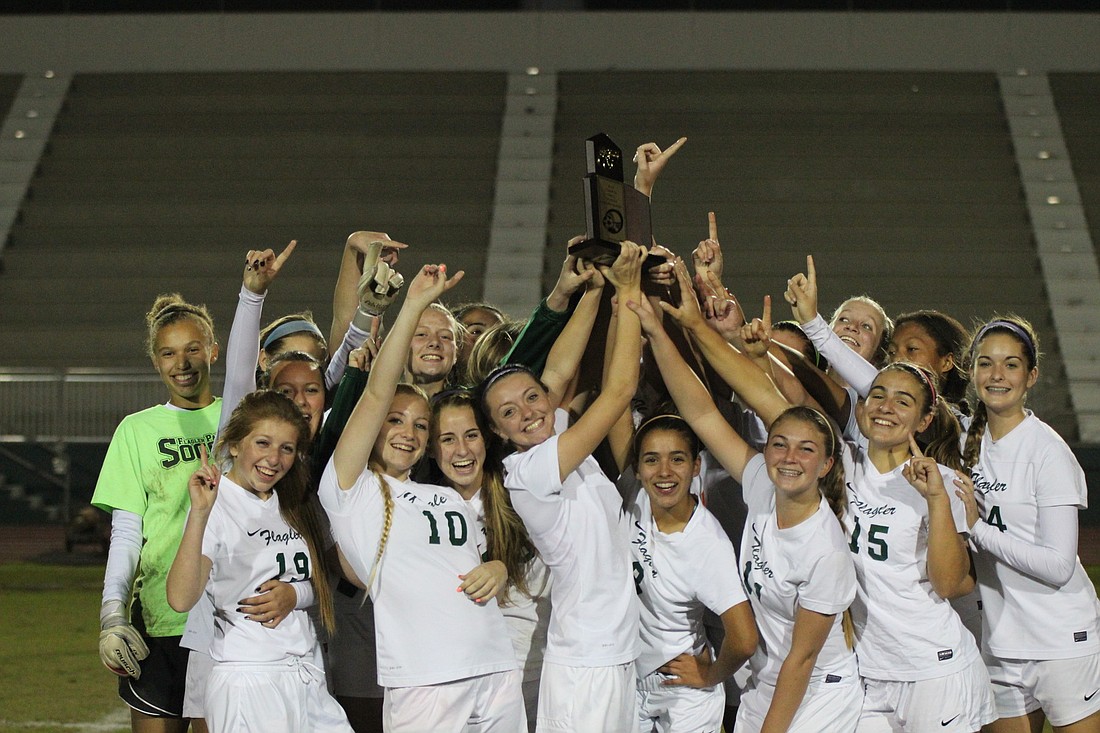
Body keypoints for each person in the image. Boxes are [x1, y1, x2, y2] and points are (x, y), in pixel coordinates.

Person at [627, 266, 861, 733]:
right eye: (779, 444)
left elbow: (802, 660)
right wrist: (660, 330)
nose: (789, 457)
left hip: (817, 693)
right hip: (764, 684)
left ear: (828, 465)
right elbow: (700, 410)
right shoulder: (760, 486)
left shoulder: (825, 550)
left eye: (806, 449)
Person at [320, 262, 525, 733]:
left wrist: (496, 564)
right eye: (394, 421)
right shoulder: (350, 486)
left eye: (419, 425)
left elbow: (483, 557)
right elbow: (374, 393)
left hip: (495, 666)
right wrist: (412, 306)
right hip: (425, 680)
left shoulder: (446, 496)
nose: (407, 433)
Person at [478, 241, 646, 733]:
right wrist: (630, 292)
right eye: (510, 412)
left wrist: (593, 291)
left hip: (614, 652)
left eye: (532, 399)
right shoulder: (530, 471)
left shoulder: (552, 434)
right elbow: (620, 392)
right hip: (585, 664)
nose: (529, 411)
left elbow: (556, 371)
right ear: (499, 434)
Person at [166, 391, 349, 733]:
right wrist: (200, 514)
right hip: (248, 679)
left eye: (287, 448)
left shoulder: (294, 502)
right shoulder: (215, 503)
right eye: (262, 443)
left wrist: (296, 595)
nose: (274, 459)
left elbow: (322, 581)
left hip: (306, 672)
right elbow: (180, 598)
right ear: (235, 444)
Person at [956, 317, 1100, 732]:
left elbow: (1059, 565)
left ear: (1031, 375)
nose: (997, 375)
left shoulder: (1048, 451)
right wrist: (816, 328)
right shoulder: (965, 436)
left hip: (1060, 640)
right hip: (1001, 641)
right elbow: (892, 393)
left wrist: (979, 531)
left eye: (1011, 364)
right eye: (985, 363)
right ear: (971, 371)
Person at [93, 293, 221, 732]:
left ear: (213, 351)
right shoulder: (135, 429)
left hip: (225, 618)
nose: (181, 363)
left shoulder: (240, 418)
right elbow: (127, 533)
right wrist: (113, 613)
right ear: (155, 361)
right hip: (160, 620)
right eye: (168, 352)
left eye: (192, 349)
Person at [624, 414, 758, 733]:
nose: (665, 471)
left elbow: (744, 639)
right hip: (629, 679)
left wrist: (709, 676)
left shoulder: (708, 545)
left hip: (683, 690)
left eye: (678, 459)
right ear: (637, 468)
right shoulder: (636, 494)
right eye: (652, 460)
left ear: (696, 466)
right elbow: (617, 396)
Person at [429, 389, 550, 732]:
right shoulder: (421, 507)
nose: (462, 451)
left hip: (532, 672)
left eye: (471, 435)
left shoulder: (521, 490)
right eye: (447, 439)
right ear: (430, 447)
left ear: (487, 437)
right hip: (460, 678)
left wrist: (503, 567)